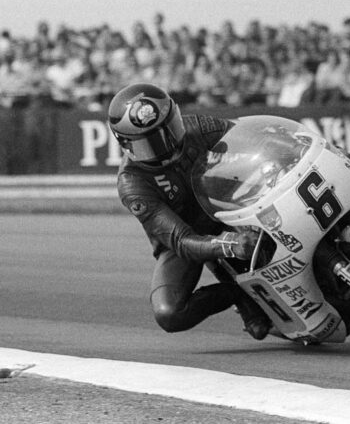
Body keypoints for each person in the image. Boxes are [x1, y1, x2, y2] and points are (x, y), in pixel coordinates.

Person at [107, 82, 272, 339]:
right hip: (186, 235)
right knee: (169, 313)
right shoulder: (132, 184)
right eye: (152, 144)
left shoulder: (198, 126)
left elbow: (252, 138)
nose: (169, 145)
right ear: (127, 145)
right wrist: (230, 244)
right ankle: (237, 292)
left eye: (170, 130)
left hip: (231, 206)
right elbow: (181, 240)